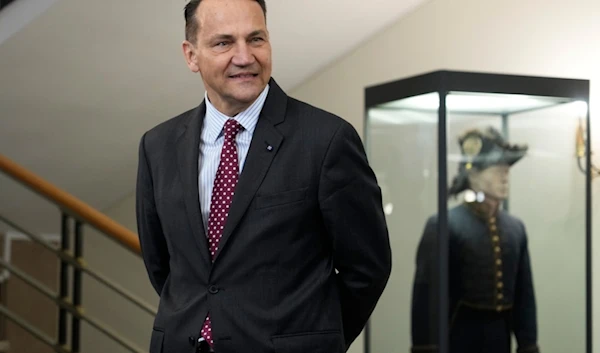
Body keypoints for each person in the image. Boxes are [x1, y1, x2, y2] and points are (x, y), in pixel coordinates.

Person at [135, 0, 392, 352]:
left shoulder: (326, 140)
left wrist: (315, 341)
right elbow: (161, 265)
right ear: (191, 55)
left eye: (256, 39)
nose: (244, 57)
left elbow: (367, 269)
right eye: (223, 43)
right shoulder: (157, 146)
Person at [410, 126, 539, 353]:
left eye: (507, 168)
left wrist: (528, 345)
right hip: (458, 339)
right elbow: (426, 298)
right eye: (496, 168)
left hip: (500, 341)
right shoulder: (444, 225)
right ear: (473, 175)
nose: (505, 175)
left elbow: (524, 298)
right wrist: (426, 347)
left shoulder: (515, 228)